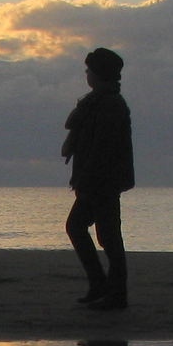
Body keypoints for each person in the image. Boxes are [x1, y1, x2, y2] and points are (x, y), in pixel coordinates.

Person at [61, 46, 133, 310]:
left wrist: (85, 178)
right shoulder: (96, 102)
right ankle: (102, 286)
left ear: (99, 73)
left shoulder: (111, 104)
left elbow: (103, 148)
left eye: (90, 70)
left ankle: (111, 291)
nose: (86, 73)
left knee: (105, 236)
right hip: (95, 179)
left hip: (102, 181)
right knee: (95, 232)